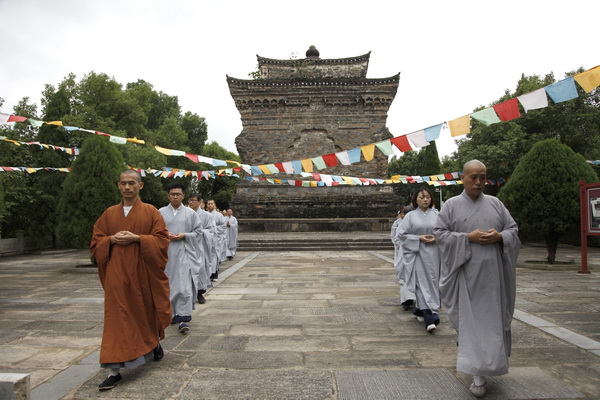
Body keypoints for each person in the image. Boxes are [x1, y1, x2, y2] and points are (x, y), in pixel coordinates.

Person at [433, 160, 520, 398]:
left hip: (494, 280)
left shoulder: (496, 204)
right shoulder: (451, 205)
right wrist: (466, 237)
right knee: (470, 325)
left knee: (492, 324)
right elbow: (440, 235)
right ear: (463, 178)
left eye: (483, 177)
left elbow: (513, 230)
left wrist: (500, 236)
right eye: (473, 177)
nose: (479, 182)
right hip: (466, 278)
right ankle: (477, 373)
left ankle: (488, 367)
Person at [90, 169, 171, 391]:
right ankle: (113, 370)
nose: (127, 187)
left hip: (142, 273)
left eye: (131, 183)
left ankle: (153, 343)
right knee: (116, 319)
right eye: (123, 183)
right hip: (116, 275)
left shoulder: (150, 212)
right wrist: (110, 239)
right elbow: (96, 243)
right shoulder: (108, 214)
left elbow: (162, 241)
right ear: (118, 186)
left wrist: (138, 238)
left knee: (145, 312)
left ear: (140, 186)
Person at [159, 182, 203, 333]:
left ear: (183, 196)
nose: (175, 197)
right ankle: (170, 313)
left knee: (184, 285)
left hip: (185, 252)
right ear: (168, 196)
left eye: (178, 194)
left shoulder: (190, 213)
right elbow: (155, 232)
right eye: (173, 194)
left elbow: (198, 232)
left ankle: (183, 317)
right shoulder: (161, 212)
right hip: (166, 253)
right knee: (168, 284)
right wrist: (165, 235)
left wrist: (184, 235)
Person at [397, 188, 441, 333]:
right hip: (417, 254)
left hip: (434, 254)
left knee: (433, 282)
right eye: (422, 197)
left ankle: (420, 310)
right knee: (421, 283)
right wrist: (418, 238)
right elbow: (402, 235)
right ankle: (430, 316)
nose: (425, 200)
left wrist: (437, 238)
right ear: (416, 199)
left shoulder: (437, 215)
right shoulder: (410, 217)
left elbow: (445, 231)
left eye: (428, 197)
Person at [187, 193, 214, 304]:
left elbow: (211, 230)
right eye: (190, 200)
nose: (191, 202)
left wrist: (199, 233)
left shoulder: (206, 216)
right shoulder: (185, 213)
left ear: (199, 202)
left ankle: (200, 292)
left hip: (200, 246)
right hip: (187, 245)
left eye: (193, 200)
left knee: (200, 268)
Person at [391, 205, 416, 310]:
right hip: (403, 252)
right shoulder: (399, 225)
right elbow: (396, 238)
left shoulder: (417, 223)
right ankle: (406, 300)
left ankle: (415, 300)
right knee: (404, 277)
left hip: (415, 253)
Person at [207, 199, 227, 277]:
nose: (210, 205)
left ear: (215, 205)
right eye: (208, 204)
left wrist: (214, 230)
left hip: (216, 239)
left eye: (211, 204)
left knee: (214, 256)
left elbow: (223, 226)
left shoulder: (219, 215)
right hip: (206, 238)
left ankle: (214, 273)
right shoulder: (204, 214)